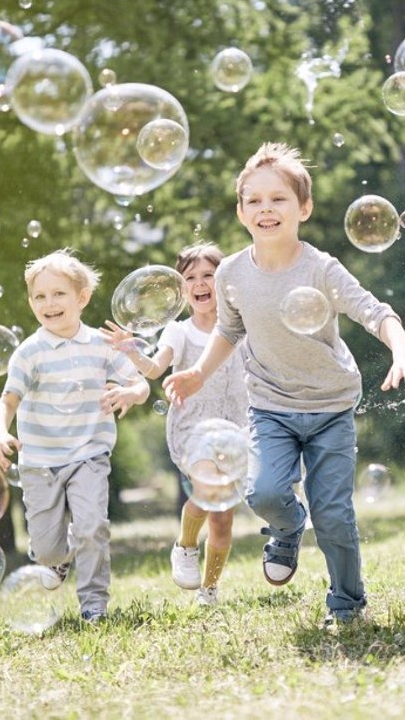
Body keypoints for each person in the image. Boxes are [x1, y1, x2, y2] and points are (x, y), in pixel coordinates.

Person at [163, 142, 405, 626]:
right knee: (263, 493)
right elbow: (228, 329)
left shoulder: (321, 268)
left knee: (334, 515)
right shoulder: (231, 273)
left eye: (279, 198)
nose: (267, 208)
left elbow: (376, 312)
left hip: (330, 406)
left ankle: (347, 604)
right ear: (241, 211)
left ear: (303, 208)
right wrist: (198, 372)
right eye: (255, 200)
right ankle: (287, 528)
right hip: (270, 406)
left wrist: (403, 350)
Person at [0, 249, 149, 624]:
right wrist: (0, 432)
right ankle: (56, 561)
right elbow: (8, 399)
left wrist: (131, 393)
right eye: (40, 297)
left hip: (88, 454)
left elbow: (140, 383)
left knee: (92, 527)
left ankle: (94, 604)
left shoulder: (101, 345)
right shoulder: (29, 353)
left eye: (59, 294)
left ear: (82, 298)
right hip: (40, 461)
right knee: (47, 549)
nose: (49, 304)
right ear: (31, 303)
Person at [101, 243, 249, 608]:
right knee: (206, 490)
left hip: (238, 428)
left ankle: (209, 589)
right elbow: (154, 368)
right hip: (194, 426)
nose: (200, 284)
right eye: (191, 278)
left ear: (224, 281)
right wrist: (132, 351)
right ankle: (185, 546)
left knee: (223, 520)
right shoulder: (177, 332)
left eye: (208, 276)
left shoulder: (243, 325)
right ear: (182, 290)